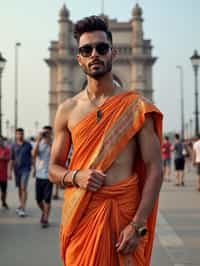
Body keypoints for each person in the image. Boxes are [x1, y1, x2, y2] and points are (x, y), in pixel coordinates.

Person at [49, 16, 163, 266]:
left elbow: (155, 167)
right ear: (78, 58)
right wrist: (76, 176)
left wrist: (138, 224)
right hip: (82, 215)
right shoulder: (67, 110)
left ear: (114, 53)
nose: (94, 54)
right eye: (86, 50)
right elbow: (53, 168)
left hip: (126, 218)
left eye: (101, 48)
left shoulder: (136, 107)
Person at [32, 126, 53, 227]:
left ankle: (45, 218)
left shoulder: (53, 143)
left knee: (47, 199)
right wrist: (38, 140)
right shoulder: (38, 143)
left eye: (48, 133)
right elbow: (34, 155)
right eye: (44, 133)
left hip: (49, 175)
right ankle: (44, 212)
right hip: (39, 175)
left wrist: (49, 142)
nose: (46, 135)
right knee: (38, 199)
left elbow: (55, 154)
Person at [8, 128, 32, 217]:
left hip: (26, 169)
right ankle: (21, 204)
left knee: (23, 187)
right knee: (19, 188)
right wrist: (9, 172)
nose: (20, 135)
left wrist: (35, 169)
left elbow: (32, 157)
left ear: (23, 134)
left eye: (21, 134)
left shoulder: (28, 145)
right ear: (16, 135)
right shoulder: (13, 146)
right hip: (17, 170)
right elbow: (11, 159)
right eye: (18, 134)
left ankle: (23, 207)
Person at [0, 136, 10, 209]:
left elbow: (9, 159)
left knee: (4, 191)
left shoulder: (7, 150)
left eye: (1, 141)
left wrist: (3, 158)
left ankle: (3, 201)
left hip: (3, 174)